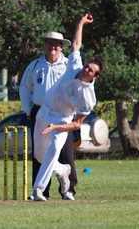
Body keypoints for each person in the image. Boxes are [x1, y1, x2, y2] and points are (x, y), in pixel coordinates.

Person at [32, 13, 103, 201]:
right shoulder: (74, 65)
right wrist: (81, 23)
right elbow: (76, 45)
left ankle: (37, 190)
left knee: (54, 150)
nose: (85, 69)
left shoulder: (89, 98)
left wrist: (55, 127)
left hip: (62, 122)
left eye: (90, 70)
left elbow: (77, 124)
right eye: (87, 66)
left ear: (95, 77)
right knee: (40, 156)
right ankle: (63, 171)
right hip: (44, 112)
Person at [19, 17, 88, 198]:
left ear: (62, 47)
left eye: (57, 45)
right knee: (40, 155)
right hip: (40, 112)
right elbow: (25, 87)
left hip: (63, 115)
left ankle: (68, 190)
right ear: (45, 45)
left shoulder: (70, 65)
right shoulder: (35, 65)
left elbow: (77, 45)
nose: (53, 48)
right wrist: (28, 109)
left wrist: (77, 115)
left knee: (65, 153)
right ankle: (44, 190)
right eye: (50, 44)